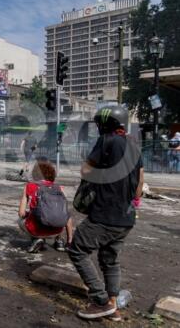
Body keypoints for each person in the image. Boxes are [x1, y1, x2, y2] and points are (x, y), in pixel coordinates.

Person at [68, 106, 144, 321]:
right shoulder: (134, 146)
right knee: (109, 259)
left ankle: (100, 300)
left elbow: (85, 170)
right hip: (126, 218)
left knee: (77, 249)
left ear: (105, 124)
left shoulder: (107, 141)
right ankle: (113, 306)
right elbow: (139, 188)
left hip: (105, 215)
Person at [18, 158, 73, 253]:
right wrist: (69, 241)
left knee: (20, 220)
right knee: (60, 213)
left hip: (36, 230)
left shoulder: (29, 186)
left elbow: (21, 213)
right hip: (57, 231)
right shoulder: (59, 188)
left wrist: (29, 213)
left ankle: (36, 239)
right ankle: (60, 242)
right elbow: (66, 215)